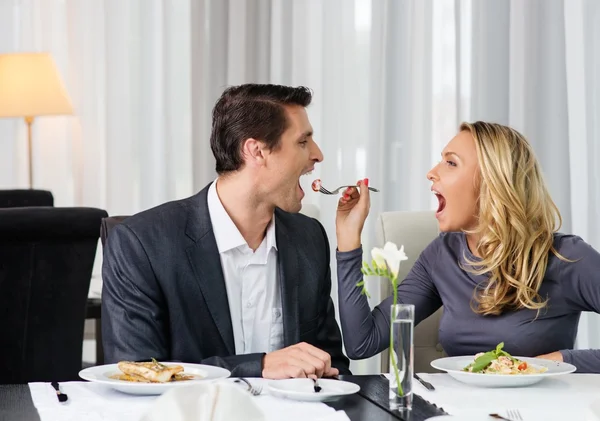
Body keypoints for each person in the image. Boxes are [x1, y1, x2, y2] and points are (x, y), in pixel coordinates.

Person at [102, 83, 350, 379]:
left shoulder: (309, 238)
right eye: (303, 141)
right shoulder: (140, 244)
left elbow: (333, 365)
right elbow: (137, 372)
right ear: (256, 150)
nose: (317, 154)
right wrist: (258, 366)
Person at [335, 121, 600, 373]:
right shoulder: (441, 256)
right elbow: (362, 342)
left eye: (451, 163)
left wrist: (563, 361)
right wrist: (348, 240)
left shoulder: (566, 257)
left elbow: (560, 365)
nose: (432, 172)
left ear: (492, 182)